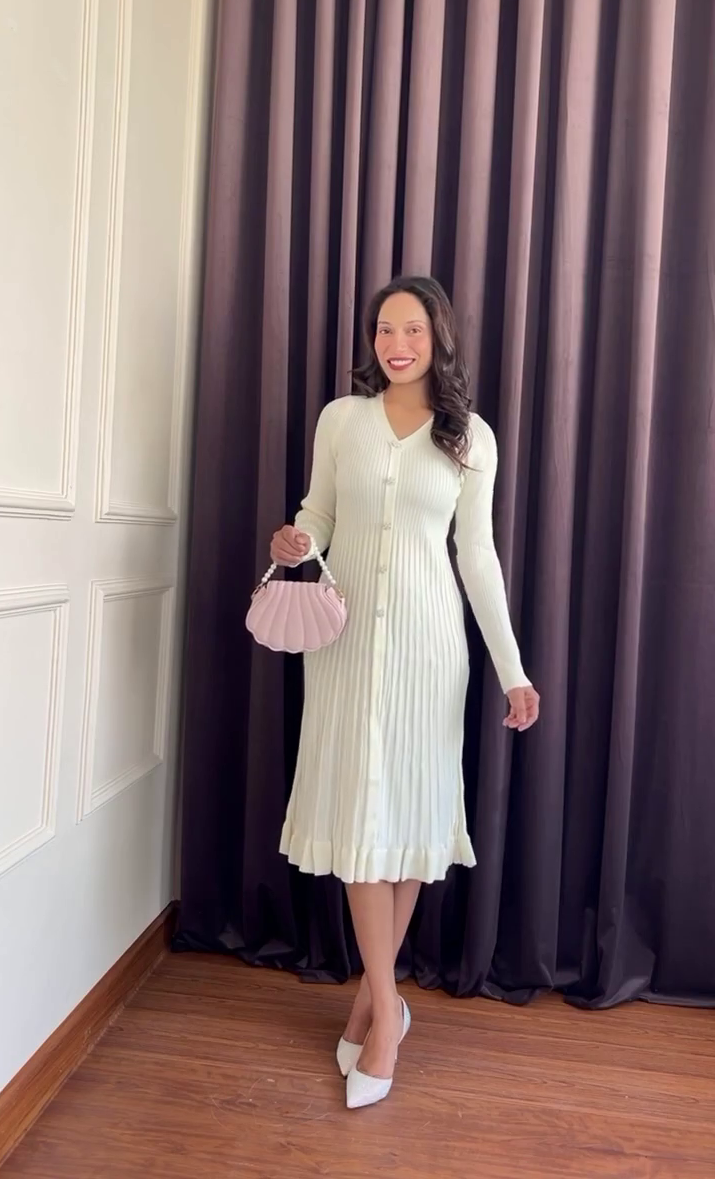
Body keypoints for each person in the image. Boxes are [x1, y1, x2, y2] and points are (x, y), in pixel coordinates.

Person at [271, 275, 540, 1109]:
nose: (397, 343)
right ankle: (389, 1008)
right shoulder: (341, 420)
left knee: (412, 812)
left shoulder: (470, 437)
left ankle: (373, 1004)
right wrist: (297, 538)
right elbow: (319, 514)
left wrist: (513, 669)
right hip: (346, 647)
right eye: (385, 329)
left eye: (413, 329)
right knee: (361, 814)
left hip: (430, 649)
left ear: (438, 338)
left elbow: (477, 558)